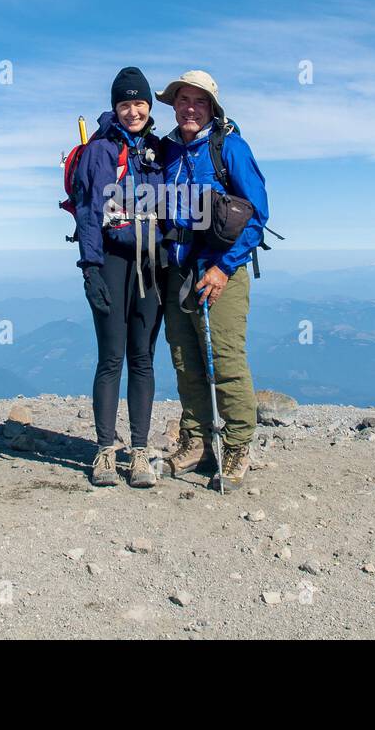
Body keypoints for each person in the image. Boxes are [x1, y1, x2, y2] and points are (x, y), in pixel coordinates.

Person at [156, 70, 269, 492]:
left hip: (221, 270)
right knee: (185, 360)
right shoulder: (166, 152)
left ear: (211, 109)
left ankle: (238, 445)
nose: (189, 107)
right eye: (183, 100)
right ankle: (197, 441)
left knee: (224, 359)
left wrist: (224, 267)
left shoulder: (230, 149)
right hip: (178, 268)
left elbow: (257, 215)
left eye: (198, 102)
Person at [71, 67, 165, 488]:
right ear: (115, 107)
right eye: (124, 104)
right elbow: (90, 213)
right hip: (110, 259)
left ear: (148, 106)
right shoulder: (97, 152)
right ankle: (106, 450)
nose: (132, 111)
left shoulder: (160, 150)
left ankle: (140, 452)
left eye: (139, 103)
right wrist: (91, 269)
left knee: (142, 358)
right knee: (111, 358)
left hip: (151, 264)